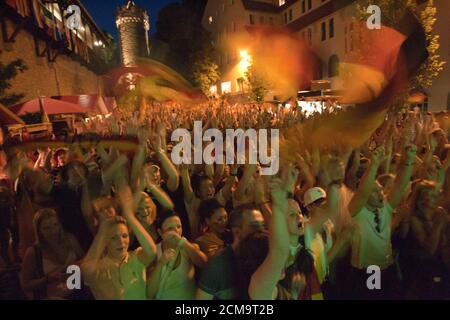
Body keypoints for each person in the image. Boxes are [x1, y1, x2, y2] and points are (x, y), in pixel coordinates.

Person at [347, 145, 417, 299]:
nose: (381, 194)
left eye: (380, 190)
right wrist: (374, 164)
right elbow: (363, 192)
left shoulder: (384, 207)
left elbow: (400, 185)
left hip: (387, 266)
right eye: (375, 191)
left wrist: (409, 161)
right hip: (369, 270)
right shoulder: (357, 211)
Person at [81, 185, 157, 300]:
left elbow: (151, 251)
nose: (121, 241)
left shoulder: (135, 257)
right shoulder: (98, 266)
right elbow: (86, 272)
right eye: (113, 238)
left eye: (124, 236)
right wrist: (104, 228)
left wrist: (130, 216)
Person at [234, 167, 292, 300]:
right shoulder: (258, 289)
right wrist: (277, 205)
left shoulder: (273, 288)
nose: (282, 263)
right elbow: (279, 251)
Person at [196, 205, 265, 300]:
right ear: (237, 232)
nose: (262, 231)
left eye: (263, 225)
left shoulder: (262, 259)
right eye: (255, 226)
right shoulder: (218, 265)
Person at [21, 208, 84, 300]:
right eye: (46, 228)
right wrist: (49, 278)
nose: (53, 231)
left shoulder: (70, 239)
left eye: (55, 224)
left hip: (78, 291)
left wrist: (74, 267)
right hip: (53, 297)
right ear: (39, 231)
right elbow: (26, 285)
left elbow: (85, 261)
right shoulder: (33, 252)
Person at [148, 210, 208, 300]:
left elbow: (204, 263)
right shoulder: (154, 251)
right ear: (160, 232)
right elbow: (150, 293)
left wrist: (183, 242)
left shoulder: (189, 247)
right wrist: (160, 263)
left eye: (179, 227)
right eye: (170, 229)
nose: (176, 231)